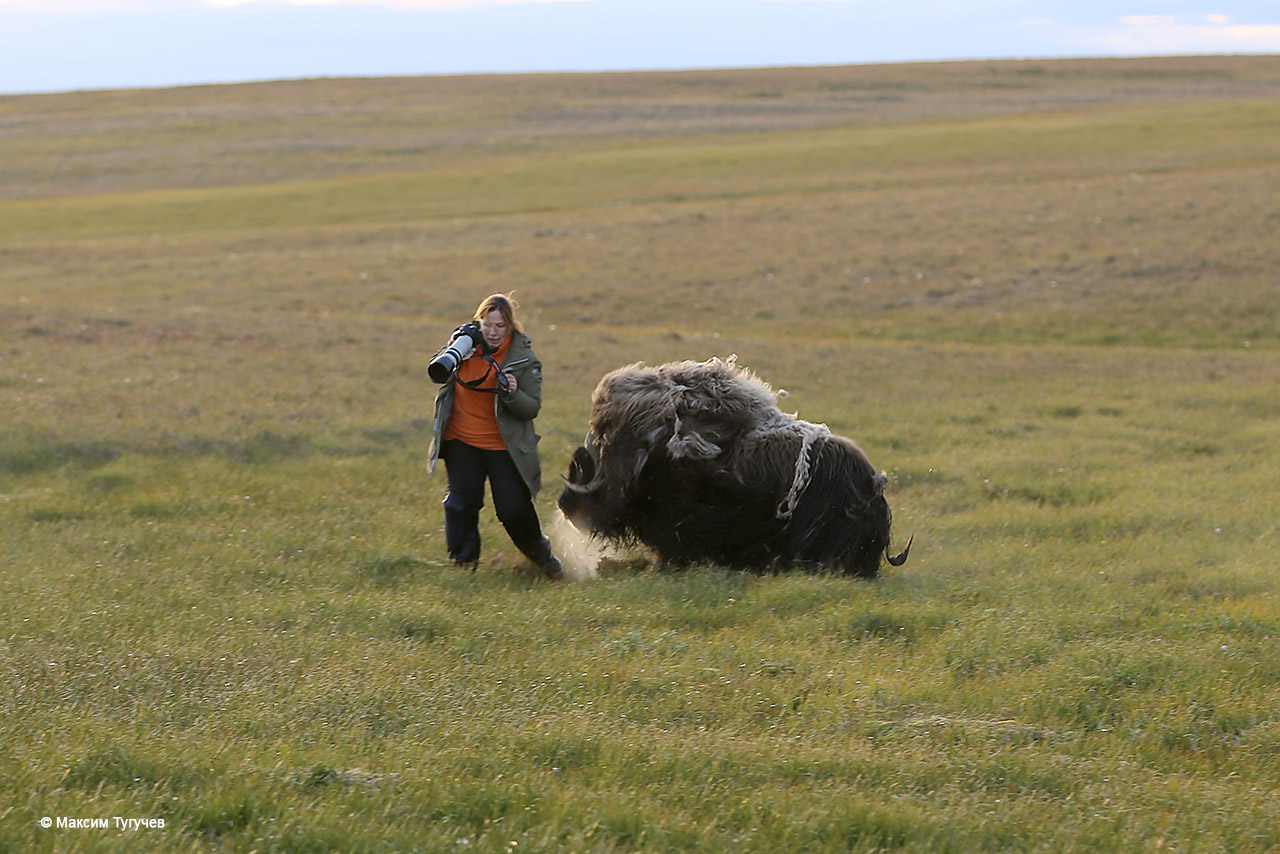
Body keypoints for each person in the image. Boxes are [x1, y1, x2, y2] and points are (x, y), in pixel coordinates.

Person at [428, 294, 563, 580]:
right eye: (486, 324)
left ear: (510, 327)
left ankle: (543, 557)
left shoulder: (524, 359)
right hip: (461, 441)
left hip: (504, 448)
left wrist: (513, 393)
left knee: (513, 509)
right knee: (460, 504)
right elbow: (439, 367)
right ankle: (463, 568)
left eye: (499, 325)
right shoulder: (464, 346)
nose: (492, 331)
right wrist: (456, 345)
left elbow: (531, 408)